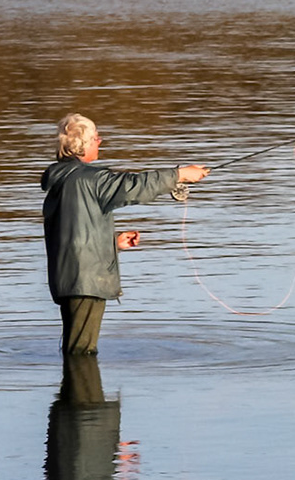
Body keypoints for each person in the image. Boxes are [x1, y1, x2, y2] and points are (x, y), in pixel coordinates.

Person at [41, 113, 209, 353]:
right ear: (84, 144)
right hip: (86, 282)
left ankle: (75, 387)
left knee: (75, 347)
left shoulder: (62, 181)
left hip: (68, 278)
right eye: (96, 138)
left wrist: (112, 243)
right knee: (81, 351)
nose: (100, 142)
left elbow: (70, 234)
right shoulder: (91, 179)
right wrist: (179, 174)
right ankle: (82, 389)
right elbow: (133, 186)